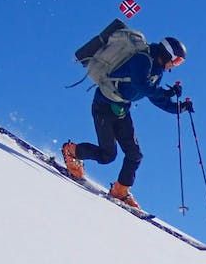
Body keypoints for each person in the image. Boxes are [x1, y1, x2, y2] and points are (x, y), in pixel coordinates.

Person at [62, 34, 192, 209]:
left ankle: (120, 190)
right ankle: (72, 152)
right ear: (168, 54)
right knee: (107, 155)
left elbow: (153, 96)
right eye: (176, 61)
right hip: (104, 106)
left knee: (135, 155)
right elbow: (142, 86)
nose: (174, 65)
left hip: (122, 110)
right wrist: (167, 93)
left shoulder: (157, 70)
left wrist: (179, 108)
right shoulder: (142, 59)